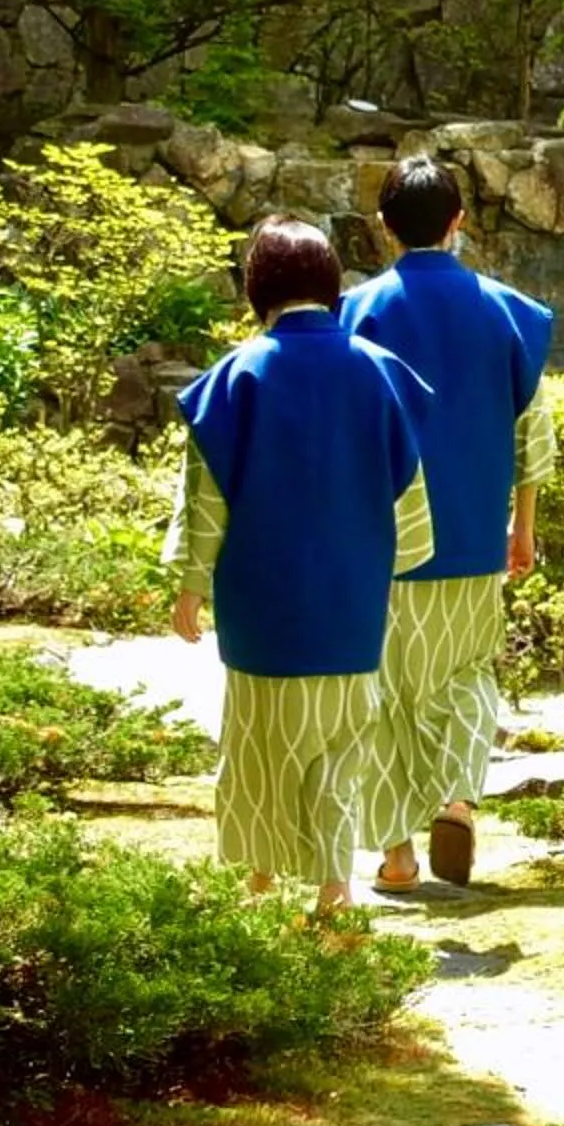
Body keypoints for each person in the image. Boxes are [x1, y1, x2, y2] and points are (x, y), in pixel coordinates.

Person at [165, 214, 435, 916]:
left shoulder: (235, 377)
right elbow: (408, 494)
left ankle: (260, 878)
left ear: (258, 286)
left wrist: (192, 585)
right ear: (330, 284)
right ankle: (333, 887)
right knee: (340, 750)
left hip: (263, 606)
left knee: (259, 745)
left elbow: (207, 498)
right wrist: (397, 569)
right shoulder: (379, 372)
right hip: (351, 604)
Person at [340, 156, 557, 889]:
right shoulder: (510, 313)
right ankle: (458, 800)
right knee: (465, 677)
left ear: (384, 227)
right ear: (459, 221)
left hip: (381, 545)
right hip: (472, 538)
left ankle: (396, 855)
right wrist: (521, 526)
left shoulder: (357, 312)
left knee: (386, 694)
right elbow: (533, 431)